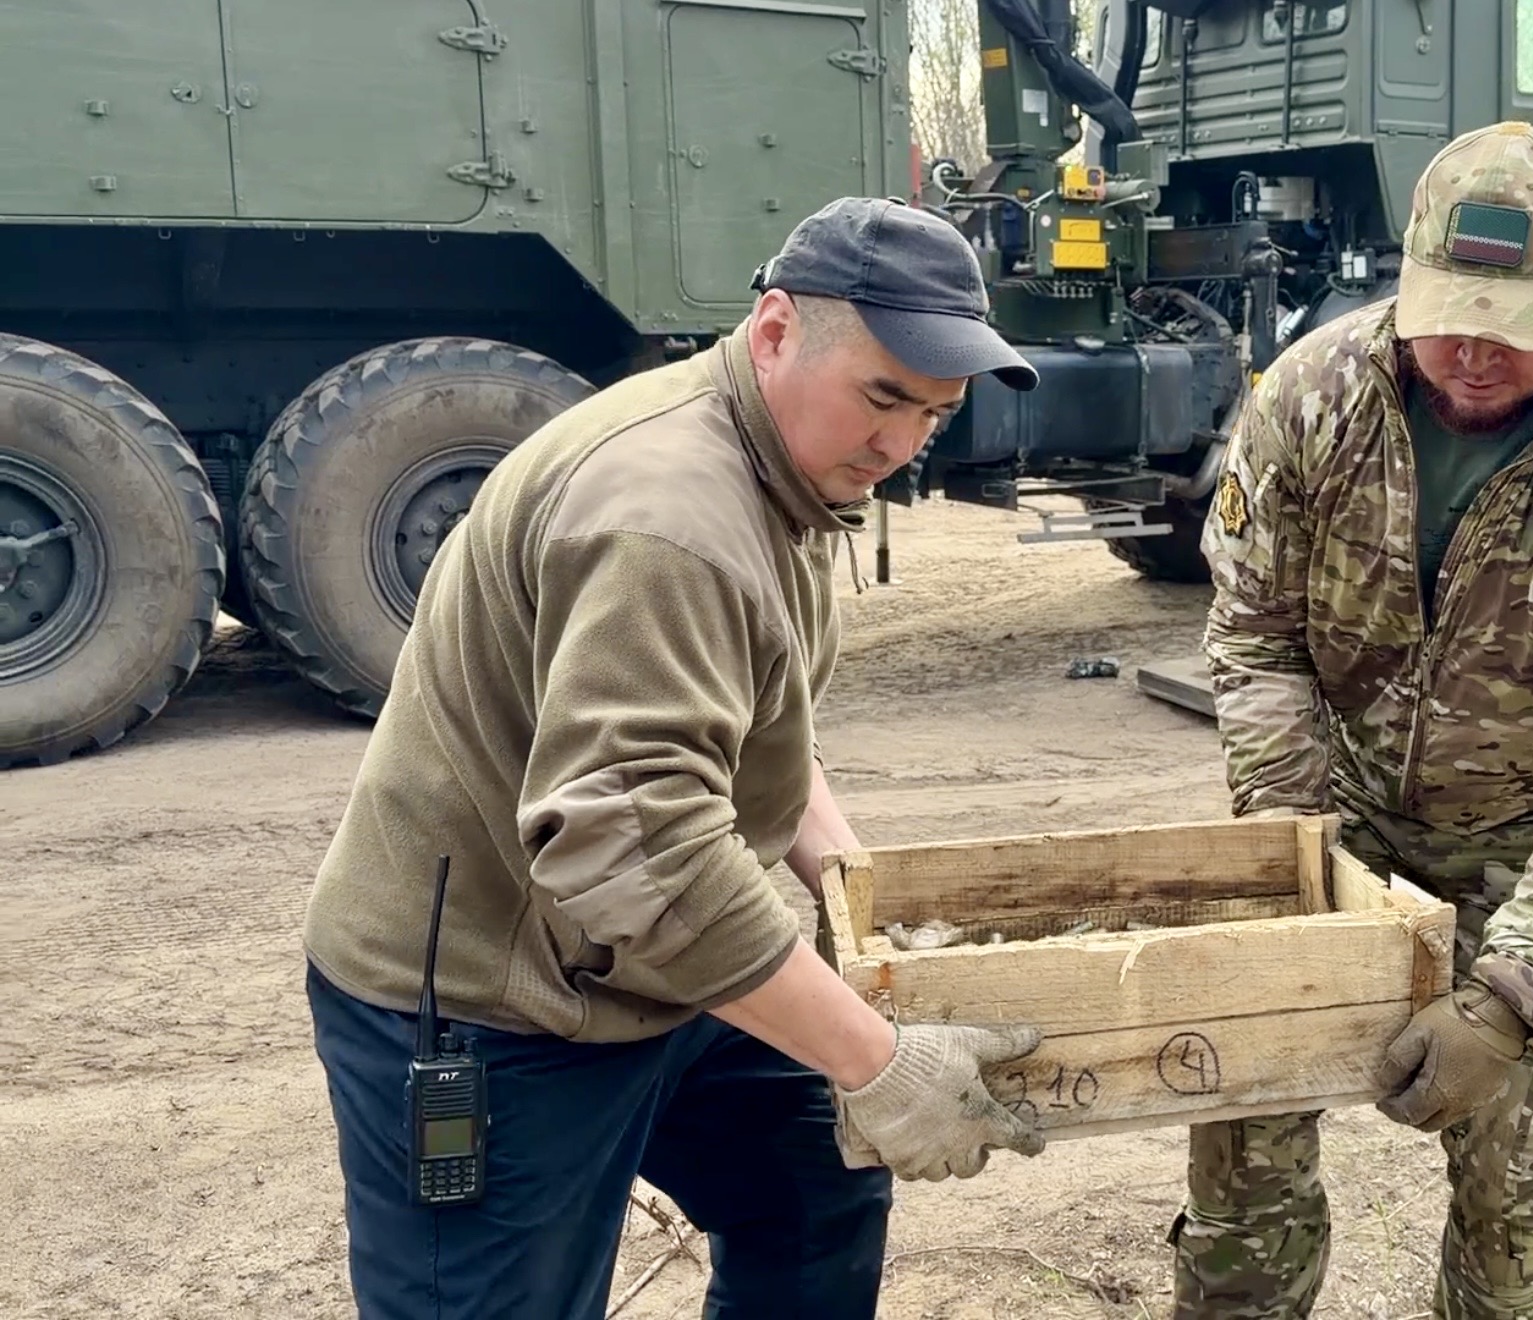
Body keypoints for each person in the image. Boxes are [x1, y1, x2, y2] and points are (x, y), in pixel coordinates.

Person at [300, 197, 1051, 1319]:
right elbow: (633, 841)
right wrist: (872, 1056)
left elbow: (748, 736)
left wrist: (856, 899)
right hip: (493, 1000)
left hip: (652, 959)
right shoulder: (670, 514)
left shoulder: (781, 469)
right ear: (775, 330)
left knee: (813, 1193)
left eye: (933, 417)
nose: (899, 447)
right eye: (883, 396)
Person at [1188, 121, 1533, 1319]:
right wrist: (1297, 847)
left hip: (1532, 858)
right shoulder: (1312, 396)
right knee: (1242, 1133)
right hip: (1332, 830)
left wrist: (1513, 997)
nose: (1471, 354)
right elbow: (1255, 633)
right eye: (1445, 310)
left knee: (1508, 1185)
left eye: (1512, 322)